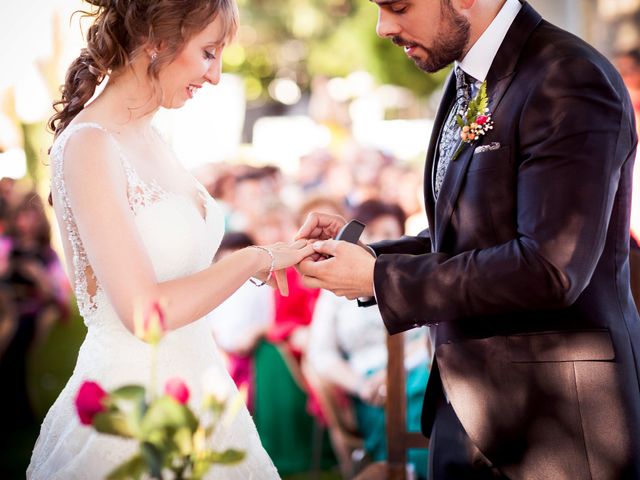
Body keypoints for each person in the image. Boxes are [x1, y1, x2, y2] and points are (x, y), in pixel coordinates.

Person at [297, 0, 640, 478]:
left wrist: (381, 277)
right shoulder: (468, 80)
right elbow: (462, 237)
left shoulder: (568, 77)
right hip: (466, 405)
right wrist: (368, 256)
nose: (382, 28)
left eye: (398, 6)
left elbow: (550, 268)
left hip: (552, 424)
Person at [27, 0, 314, 478]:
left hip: (201, 384)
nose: (217, 75)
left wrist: (283, 254)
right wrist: (252, 259)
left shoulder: (152, 134)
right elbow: (145, 314)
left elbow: (181, 271)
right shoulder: (89, 145)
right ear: (157, 41)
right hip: (136, 403)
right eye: (208, 53)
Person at [307, 199, 429, 478]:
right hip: (370, 386)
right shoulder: (336, 292)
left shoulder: (416, 278)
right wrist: (360, 385)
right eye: (370, 235)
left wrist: (398, 371)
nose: (378, 241)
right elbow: (321, 354)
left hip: (419, 367)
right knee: (393, 403)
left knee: (424, 392)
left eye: (388, 232)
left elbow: (431, 334)